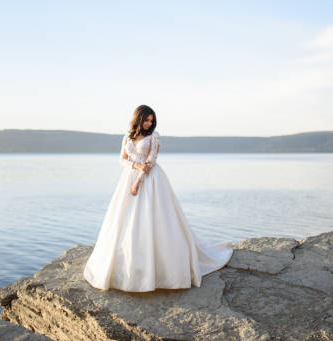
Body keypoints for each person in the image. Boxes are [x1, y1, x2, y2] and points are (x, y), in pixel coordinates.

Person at [83, 105, 233, 292]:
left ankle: (159, 271)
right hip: (129, 177)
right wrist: (135, 166)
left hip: (150, 180)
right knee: (124, 220)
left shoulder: (154, 137)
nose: (149, 124)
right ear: (138, 119)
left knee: (154, 219)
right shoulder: (127, 137)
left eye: (151, 121)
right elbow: (122, 159)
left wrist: (137, 183)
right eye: (146, 120)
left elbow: (150, 162)